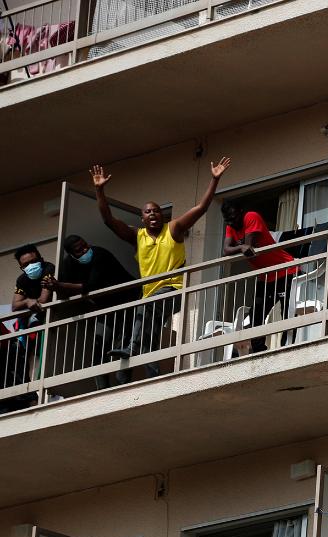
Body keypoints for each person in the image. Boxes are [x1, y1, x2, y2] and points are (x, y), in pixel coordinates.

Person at [90, 157, 231, 375]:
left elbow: (201, 208)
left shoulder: (173, 229)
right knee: (150, 330)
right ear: (142, 218)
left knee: (143, 308)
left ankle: (131, 347)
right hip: (151, 293)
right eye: (148, 212)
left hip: (173, 289)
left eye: (156, 211)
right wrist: (100, 191)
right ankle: (151, 371)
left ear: (161, 215)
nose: (153, 214)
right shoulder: (137, 236)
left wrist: (214, 179)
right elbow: (109, 221)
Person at [45, 235, 139, 388]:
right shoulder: (68, 264)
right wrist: (56, 286)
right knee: (98, 347)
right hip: (106, 309)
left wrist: (59, 285)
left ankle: (123, 383)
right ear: (71, 254)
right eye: (79, 250)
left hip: (128, 301)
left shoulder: (99, 254)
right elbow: (65, 293)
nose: (85, 250)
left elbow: (91, 286)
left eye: (85, 245)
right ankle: (102, 389)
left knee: (123, 345)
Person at [221, 203, 299, 353]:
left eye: (234, 218)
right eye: (228, 220)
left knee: (287, 313)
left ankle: (288, 349)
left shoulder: (251, 217)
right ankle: (258, 351)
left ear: (241, 212)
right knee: (257, 314)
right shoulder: (231, 226)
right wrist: (240, 247)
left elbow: (248, 247)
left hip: (285, 270)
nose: (232, 222)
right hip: (265, 276)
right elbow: (226, 250)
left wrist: (241, 247)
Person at [11, 244, 55, 328]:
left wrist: (29, 302)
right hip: (37, 321)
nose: (31, 266)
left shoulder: (48, 268)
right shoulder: (21, 280)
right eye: (26, 264)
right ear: (22, 268)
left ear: (41, 260)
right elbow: (15, 306)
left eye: (34, 261)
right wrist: (27, 301)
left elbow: (43, 300)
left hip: (54, 315)